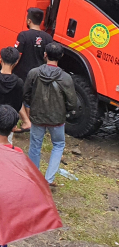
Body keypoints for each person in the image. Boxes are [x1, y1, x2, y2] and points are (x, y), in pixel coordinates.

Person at [24, 42, 77, 186]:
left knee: (35, 145)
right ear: (61, 56)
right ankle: (49, 179)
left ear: (45, 55)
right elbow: (72, 102)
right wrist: (65, 111)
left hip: (37, 116)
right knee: (58, 144)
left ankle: (34, 177)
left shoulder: (34, 73)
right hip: (57, 119)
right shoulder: (66, 78)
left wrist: (31, 106)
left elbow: (26, 94)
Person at [13, 8, 53, 132]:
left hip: (22, 73)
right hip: (38, 75)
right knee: (29, 99)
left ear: (29, 20)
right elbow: (48, 58)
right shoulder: (48, 38)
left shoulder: (23, 35)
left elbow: (17, 55)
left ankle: (23, 122)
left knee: (16, 98)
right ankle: (30, 124)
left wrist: (9, 69)